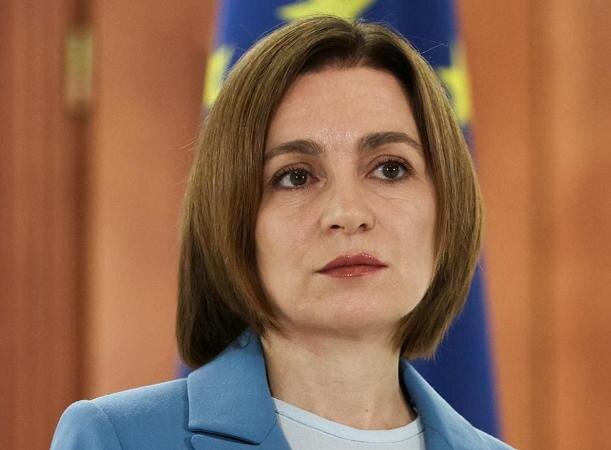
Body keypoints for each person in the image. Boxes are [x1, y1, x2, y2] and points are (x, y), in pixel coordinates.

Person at [51, 15, 514, 450]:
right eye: (295, 176)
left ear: (447, 205)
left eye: (390, 169)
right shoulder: (119, 438)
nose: (347, 213)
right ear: (232, 218)